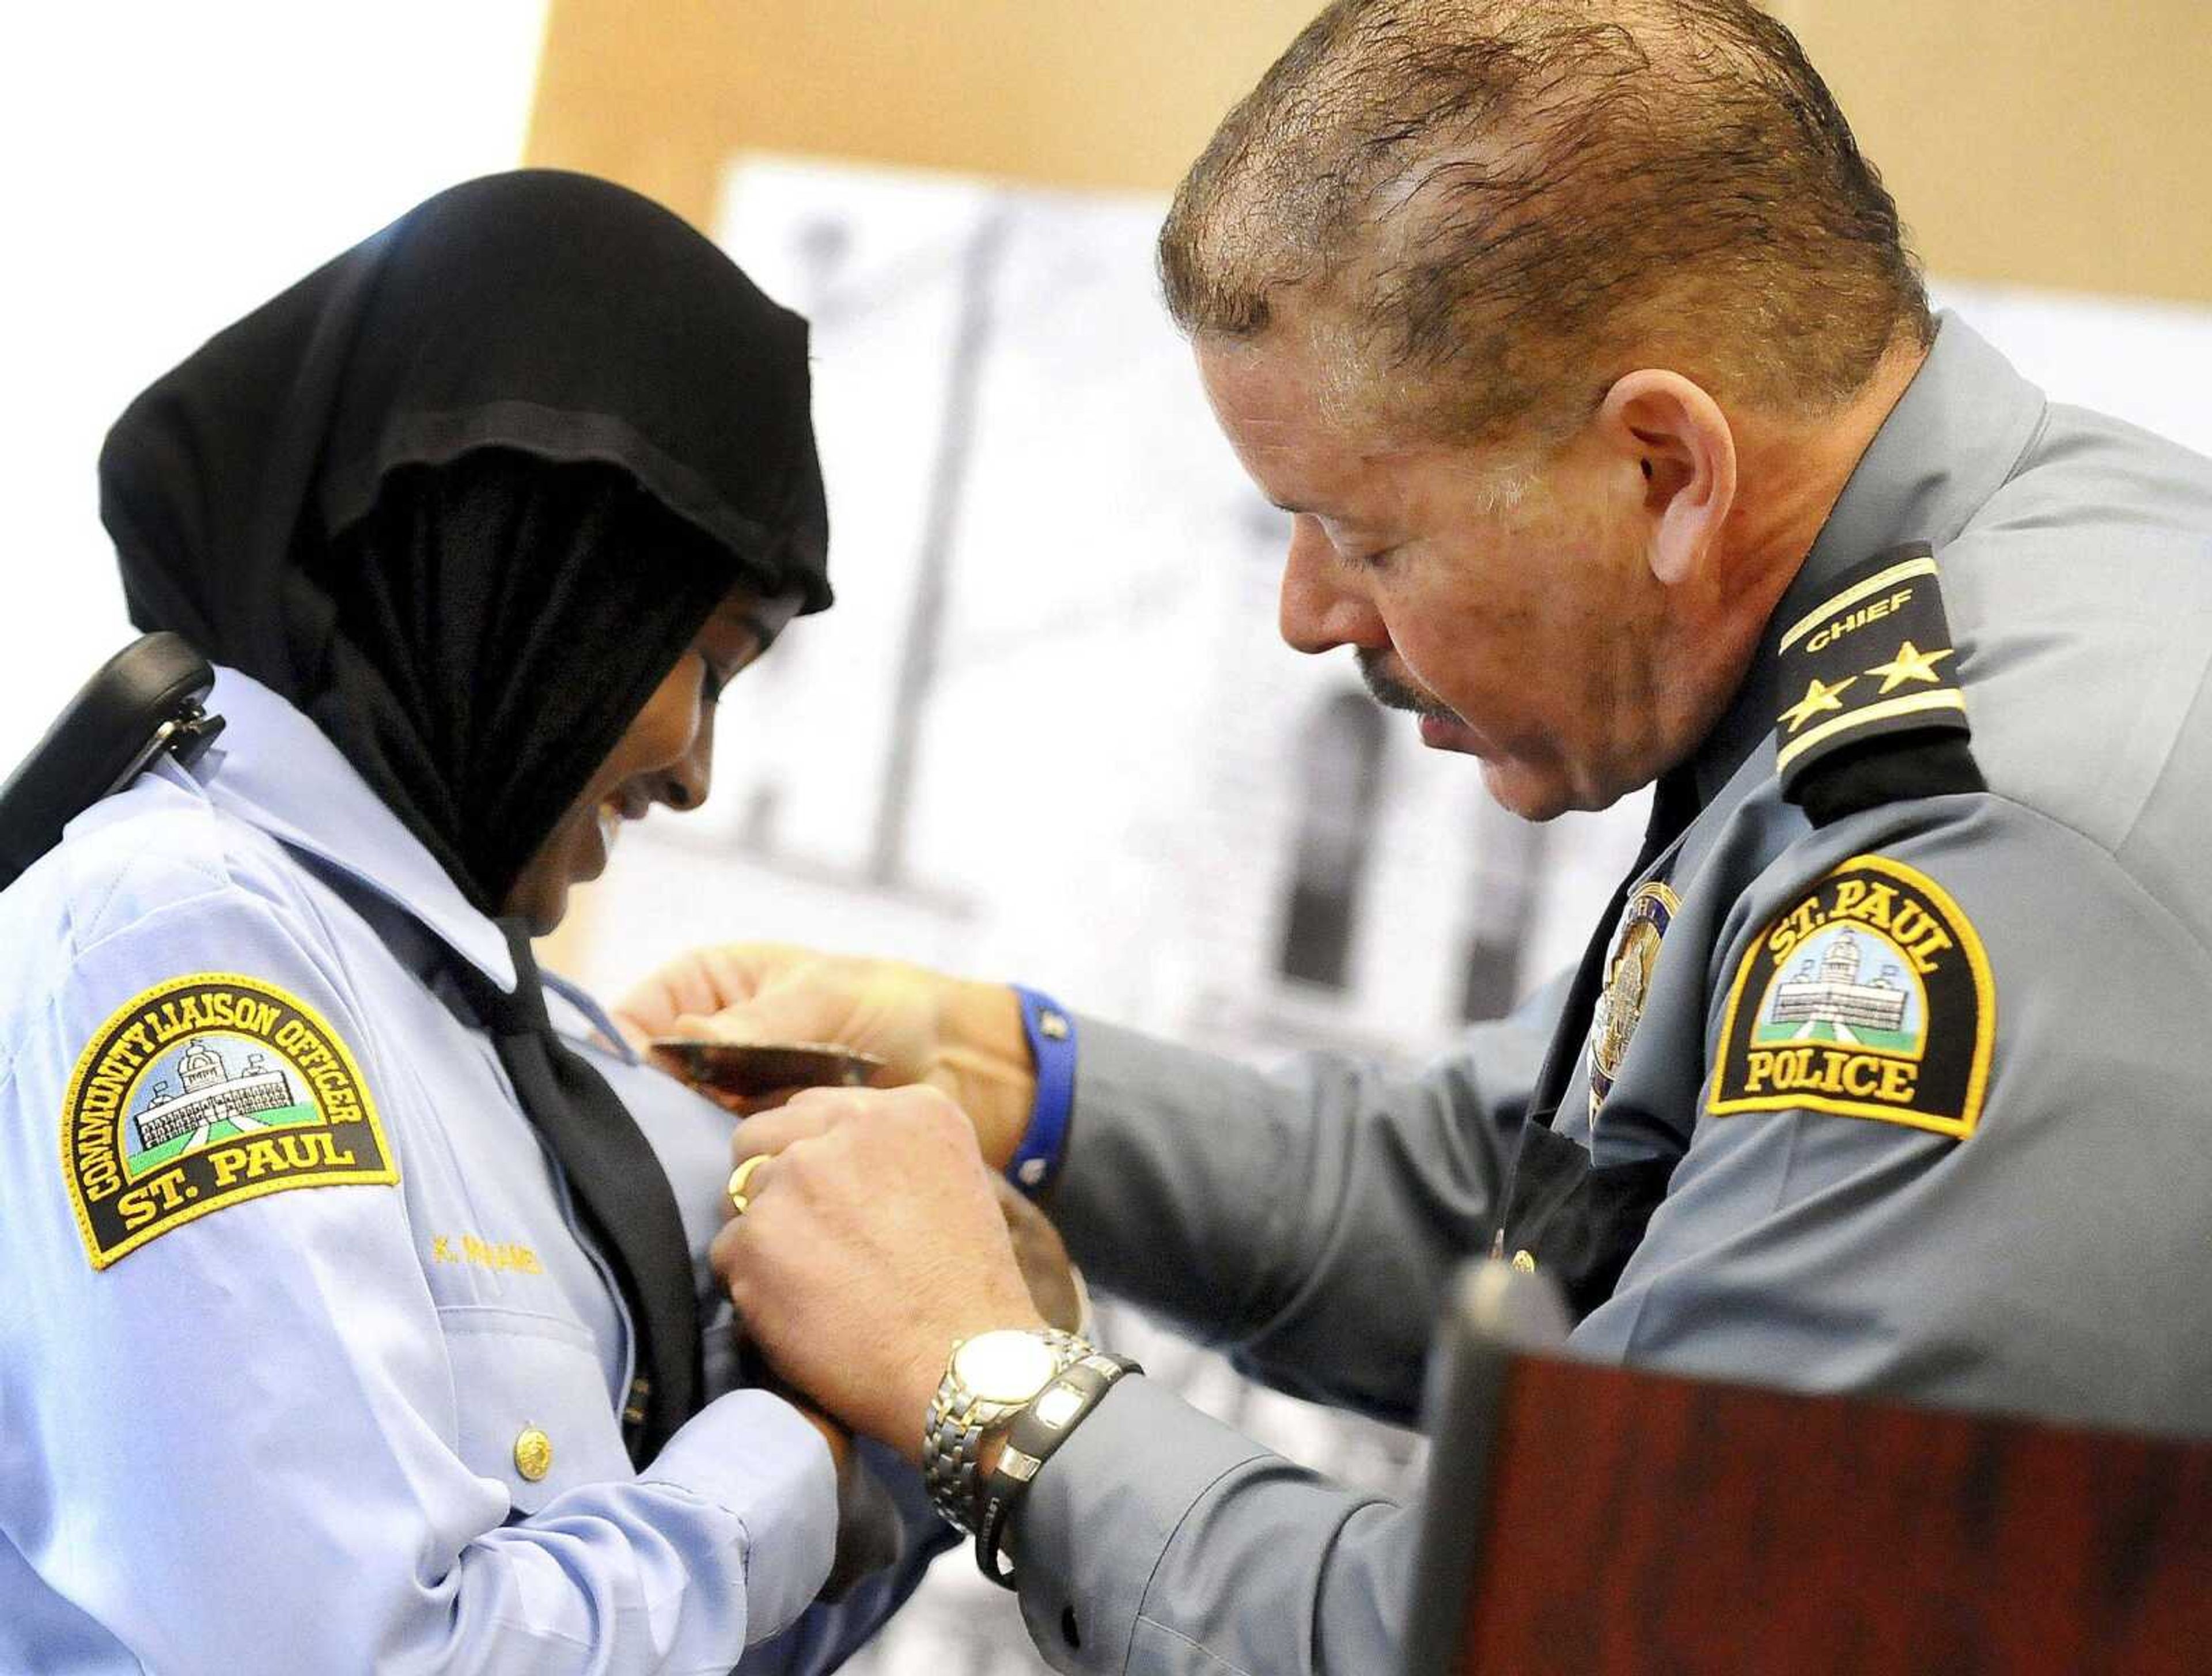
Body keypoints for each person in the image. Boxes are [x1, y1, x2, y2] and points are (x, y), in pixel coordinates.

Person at [615, 3, 2212, 1672]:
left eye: (1359, 534)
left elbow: (1584, 1635)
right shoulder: (1974, 592)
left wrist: (989, 1394)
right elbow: (1535, 1208)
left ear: (1665, 465)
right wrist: (998, 1074)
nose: (1309, 616)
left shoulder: (1986, 876)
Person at [0, 170, 960, 1673]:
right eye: (701, 662)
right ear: (531, 584)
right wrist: (795, 1469)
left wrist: (929, 1371)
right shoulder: (189, 964)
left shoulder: (501, 1027)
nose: (697, 772)